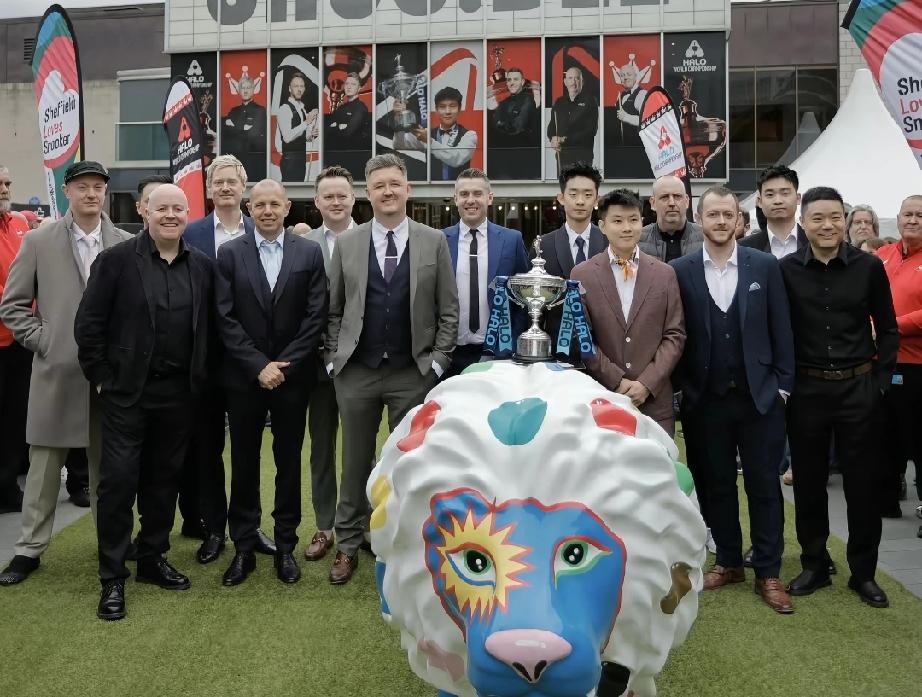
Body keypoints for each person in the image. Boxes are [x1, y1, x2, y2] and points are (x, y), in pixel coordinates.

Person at [74, 184, 214, 620]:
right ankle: (112, 576)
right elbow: (89, 325)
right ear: (145, 212)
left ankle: (152, 557)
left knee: (164, 480)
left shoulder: (203, 267)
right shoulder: (115, 261)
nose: (170, 215)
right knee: (118, 483)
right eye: (162, 208)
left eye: (178, 209)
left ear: (188, 214)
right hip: (126, 395)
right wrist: (102, 379)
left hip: (178, 396)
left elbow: (209, 329)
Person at [325, 154, 458, 585]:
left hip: (411, 372)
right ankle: (348, 544)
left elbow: (448, 309)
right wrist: (333, 358)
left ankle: (407, 547)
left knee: (409, 463)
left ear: (408, 190)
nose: (387, 191)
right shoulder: (348, 242)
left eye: (394, 184)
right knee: (355, 462)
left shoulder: (433, 241)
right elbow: (333, 309)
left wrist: (436, 363)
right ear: (368, 193)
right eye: (379, 185)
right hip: (357, 372)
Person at [0, 161, 132, 586]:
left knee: (107, 468)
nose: (91, 194)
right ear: (68, 191)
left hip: (108, 377)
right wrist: (47, 342)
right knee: (43, 467)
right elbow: (12, 307)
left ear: (105, 193)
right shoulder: (38, 241)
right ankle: (28, 550)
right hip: (57, 373)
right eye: (82, 187)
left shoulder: (126, 243)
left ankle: (111, 542)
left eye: (98, 187)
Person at [671, 186, 795, 614]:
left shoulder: (765, 265)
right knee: (715, 483)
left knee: (764, 486)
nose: (722, 221)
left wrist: (782, 388)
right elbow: (677, 333)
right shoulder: (680, 270)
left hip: (760, 398)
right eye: (714, 215)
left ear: (739, 220)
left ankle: (768, 571)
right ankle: (727, 560)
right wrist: (684, 390)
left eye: (729, 214)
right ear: (699, 219)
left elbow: (782, 327)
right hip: (705, 399)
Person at [781, 186, 898, 609]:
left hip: (859, 389)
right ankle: (815, 564)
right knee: (809, 483)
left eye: (834, 217)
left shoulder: (869, 267)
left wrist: (879, 383)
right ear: (803, 223)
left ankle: (863, 572)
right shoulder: (786, 270)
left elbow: (888, 328)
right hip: (807, 391)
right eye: (817, 218)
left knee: (862, 485)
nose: (827, 225)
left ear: (844, 221)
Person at [216, 179, 328, 587]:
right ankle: (244, 547)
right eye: (259, 204)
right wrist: (257, 366)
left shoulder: (309, 252)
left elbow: (315, 316)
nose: (267, 211)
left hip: (292, 380)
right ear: (250, 208)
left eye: (274, 204)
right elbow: (224, 317)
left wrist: (284, 366)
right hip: (244, 379)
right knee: (243, 464)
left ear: (287, 207)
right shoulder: (230, 254)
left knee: (288, 463)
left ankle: (285, 546)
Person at [183, 155, 276, 563]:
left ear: (244, 188)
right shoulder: (190, 233)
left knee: (247, 451)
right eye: (217, 182)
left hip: (247, 363)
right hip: (203, 360)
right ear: (209, 189)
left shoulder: (263, 231)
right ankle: (213, 529)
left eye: (231, 181)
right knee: (206, 451)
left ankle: (248, 527)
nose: (224, 187)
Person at [571, 188, 685, 435]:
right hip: (602, 399)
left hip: (655, 402)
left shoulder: (664, 274)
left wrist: (646, 383)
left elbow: (674, 335)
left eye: (633, 220)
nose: (626, 228)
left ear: (642, 223)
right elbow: (582, 336)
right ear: (602, 226)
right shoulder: (582, 274)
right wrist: (616, 380)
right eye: (617, 221)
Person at [300, 166, 356, 563]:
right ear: (317, 202)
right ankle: (325, 525)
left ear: (353, 199)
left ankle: (362, 523)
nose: (335, 202)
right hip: (316, 363)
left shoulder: (372, 239)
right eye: (328, 196)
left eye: (342, 195)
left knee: (361, 449)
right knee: (321, 447)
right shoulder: (302, 245)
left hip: (359, 363)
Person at [443, 168, 530, 377]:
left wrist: (512, 339)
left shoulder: (512, 240)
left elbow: (524, 296)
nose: (470, 200)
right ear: (455, 199)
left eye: (477, 194)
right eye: (464, 194)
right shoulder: (439, 240)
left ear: (489, 198)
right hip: (449, 353)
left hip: (498, 351)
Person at [876, 196, 922, 516]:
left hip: (917, 364)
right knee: (885, 435)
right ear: (898, 218)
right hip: (881, 363)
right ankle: (887, 501)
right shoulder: (882, 256)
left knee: (919, 439)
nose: (913, 220)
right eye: (908, 214)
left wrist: (889, 327)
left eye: (920, 215)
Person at [537, 161, 607, 361]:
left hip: (603, 350)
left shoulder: (609, 243)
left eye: (588, 195)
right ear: (561, 198)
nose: (580, 201)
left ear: (596, 199)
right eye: (573, 194)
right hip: (556, 351)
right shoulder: (543, 245)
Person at [0, 166, 31, 514]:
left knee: (14, 418)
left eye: (7, 183)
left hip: (20, 341)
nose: (5, 189)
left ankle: (7, 487)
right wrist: (19, 301)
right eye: (0, 184)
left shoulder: (19, 224)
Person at [740, 165, 807, 259]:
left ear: (798, 198)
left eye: (785, 193)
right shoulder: (742, 248)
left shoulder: (815, 243)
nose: (778, 201)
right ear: (760, 201)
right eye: (770, 194)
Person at [486, 67, 540, 180]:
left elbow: (516, 127)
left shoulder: (529, 100)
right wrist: (504, 124)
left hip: (525, 158)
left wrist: (502, 124)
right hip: (504, 160)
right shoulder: (504, 102)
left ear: (522, 82)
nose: (512, 83)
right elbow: (494, 125)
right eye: (509, 80)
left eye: (515, 79)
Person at [638, 175, 703, 262]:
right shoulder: (637, 240)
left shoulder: (706, 238)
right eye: (664, 197)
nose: (672, 203)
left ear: (687, 201)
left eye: (677, 196)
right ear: (653, 203)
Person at [547, 66, 598, 171]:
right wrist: (552, 138)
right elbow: (552, 126)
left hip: (582, 157)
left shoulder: (590, 101)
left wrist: (564, 139)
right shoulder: (559, 102)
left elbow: (591, 130)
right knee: (564, 182)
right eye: (570, 78)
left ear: (582, 82)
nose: (573, 82)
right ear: (565, 82)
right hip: (562, 157)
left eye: (577, 78)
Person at [424, 87, 477, 182]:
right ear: (436, 110)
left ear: (459, 109)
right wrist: (399, 116)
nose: (447, 111)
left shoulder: (470, 135)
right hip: (432, 189)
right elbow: (400, 143)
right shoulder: (426, 134)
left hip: (460, 189)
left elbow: (457, 159)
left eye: (452, 106)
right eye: (442, 107)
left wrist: (429, 142)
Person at [325, 72, 371, 181]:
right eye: (347, 84)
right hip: (337, 158)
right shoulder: (341, 108)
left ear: (359, 88)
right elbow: (327, 131)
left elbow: (348, 132)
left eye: (353, 84)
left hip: (354, 159)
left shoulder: (360, 108)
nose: (349, 87)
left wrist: (335, 127)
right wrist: (339, 127)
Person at [222, 74, 267, 181]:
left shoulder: (260, 110)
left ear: (253, 90)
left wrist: (234, 127)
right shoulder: (234, 111)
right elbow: (226, 135)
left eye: (248, 88)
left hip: (254, 162)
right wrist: (244, 128)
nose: (245, 91)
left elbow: (253, 134)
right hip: (235, 162)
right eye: (243, 88)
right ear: (239, 91)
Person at [277, 72, 319, 183]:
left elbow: (302, 136)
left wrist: (311, 135)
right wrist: (306, 122)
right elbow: (287, 137)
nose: (299, 89)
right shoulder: (284, 109)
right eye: (296, 86)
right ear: (289, 89)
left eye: (301, 86)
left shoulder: (302, 109)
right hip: (290, 161)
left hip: (301, 160)